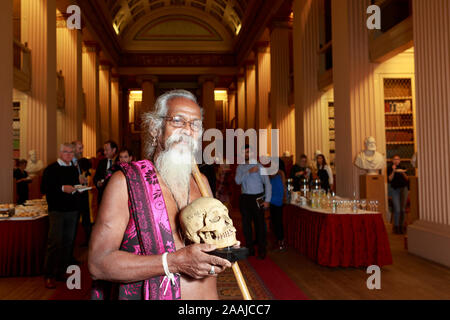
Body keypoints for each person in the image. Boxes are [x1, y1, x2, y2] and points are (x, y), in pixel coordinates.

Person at [88, 90, 232, 300]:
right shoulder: (126, 183)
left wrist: (222, 247)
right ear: (156, 129)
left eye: (195, 124)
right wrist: (173, 262)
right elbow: (98, 263)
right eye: (178, 121)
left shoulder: (202, 183)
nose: (187, 131)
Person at [41, 143, 80, 289]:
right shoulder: (51, 169)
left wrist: (79, 187)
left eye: (71, 152)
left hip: (72, 210)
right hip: (57, 210)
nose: (69, 155)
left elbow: (75, 186)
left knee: (68, 243)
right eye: (66, 152)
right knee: (55, 242)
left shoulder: (73, 169)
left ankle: (61, 272)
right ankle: (49, 275)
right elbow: (45, 188)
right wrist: (63, 188)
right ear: (60, 153)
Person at [235, 144, 272, 260]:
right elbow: (237, 181)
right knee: (246, 226)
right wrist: (249, 172)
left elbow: (268, 184)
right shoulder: (240, 167)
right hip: (245, 198)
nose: (247, 154)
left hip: (258, 198)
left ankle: (262, 249)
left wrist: (267, 200)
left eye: (249, 152)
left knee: (260, 224)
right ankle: (249, 249)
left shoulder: (260, 166)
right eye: (245, 152)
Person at [387, 155, 409, 234]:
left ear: (400, 160)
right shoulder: (390, 168)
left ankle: (401, 227)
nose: (396, 161)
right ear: (392, 161)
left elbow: (407, 179)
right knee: (397, 209)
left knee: (403, 209)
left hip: (404, 189)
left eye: (398, 159)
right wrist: (393, 171)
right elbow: (389, 179)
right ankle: (396, 227)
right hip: (394, 189)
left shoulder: (403, 167)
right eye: (394, 159)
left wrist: (403, 172)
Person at [93, 140, 118, 205]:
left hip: (115, 197)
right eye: (104, 150)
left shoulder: (119, 162)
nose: (104, 152)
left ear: (114, 150)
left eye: (107, 150)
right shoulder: (101, 162)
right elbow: (95, 177)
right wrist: (98, 183)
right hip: (102, 196)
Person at [269, 158, 286, 251]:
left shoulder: (279, 172)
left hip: (277, 200)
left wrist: (284, 197)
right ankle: (278, 240)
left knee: (277, 222)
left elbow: (283, 186)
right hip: (273, 199)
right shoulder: (275, 172)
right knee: (275, 222)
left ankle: (280, 241)